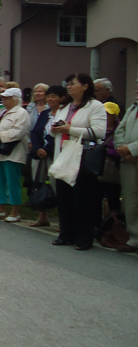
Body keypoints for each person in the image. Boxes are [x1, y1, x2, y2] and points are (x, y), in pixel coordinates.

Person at [50, 73, 107, 250]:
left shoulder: (95, 106)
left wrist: (70, 129)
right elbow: (52, 129)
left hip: (81, 156)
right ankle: (66, 234)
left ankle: (84, 238)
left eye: (73, 83)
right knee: (64, 197)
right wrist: (54, 128)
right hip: (63, 154)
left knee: (82, 199)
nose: (69, 87)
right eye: (67, 84)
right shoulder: (65, 107)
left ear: (85, 86)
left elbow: (99, 131)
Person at [0, 87, 31, 223]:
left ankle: (15, 211)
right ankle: (0, 208)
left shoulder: (21, 113)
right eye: (3, 97)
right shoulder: (1, 112)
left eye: (7, 98)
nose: (3, 100)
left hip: (13, 152)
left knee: (12, 182)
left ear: (15, 99)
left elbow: (18, 132)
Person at [27, 85, 67, 227]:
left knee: (57, 186)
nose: (50, 99)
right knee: (39, 184)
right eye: (48, 96)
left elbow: (59, 135)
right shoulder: (45, 113)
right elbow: (35, 131)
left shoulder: (64, 114)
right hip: (39, 155)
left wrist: (47, 150)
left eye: (53, 96)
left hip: (55, 154)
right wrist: (37, 148)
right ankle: (42, 216)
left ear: (62, 98)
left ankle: (63, 221)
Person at [114, 79, 138, 251]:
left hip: (133, 155)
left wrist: (132, 149)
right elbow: (119, 130)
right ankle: (134, 238)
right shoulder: (132, 108)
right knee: (131, 200)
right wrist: (121, 148)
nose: (137, 90)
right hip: (128, 162)